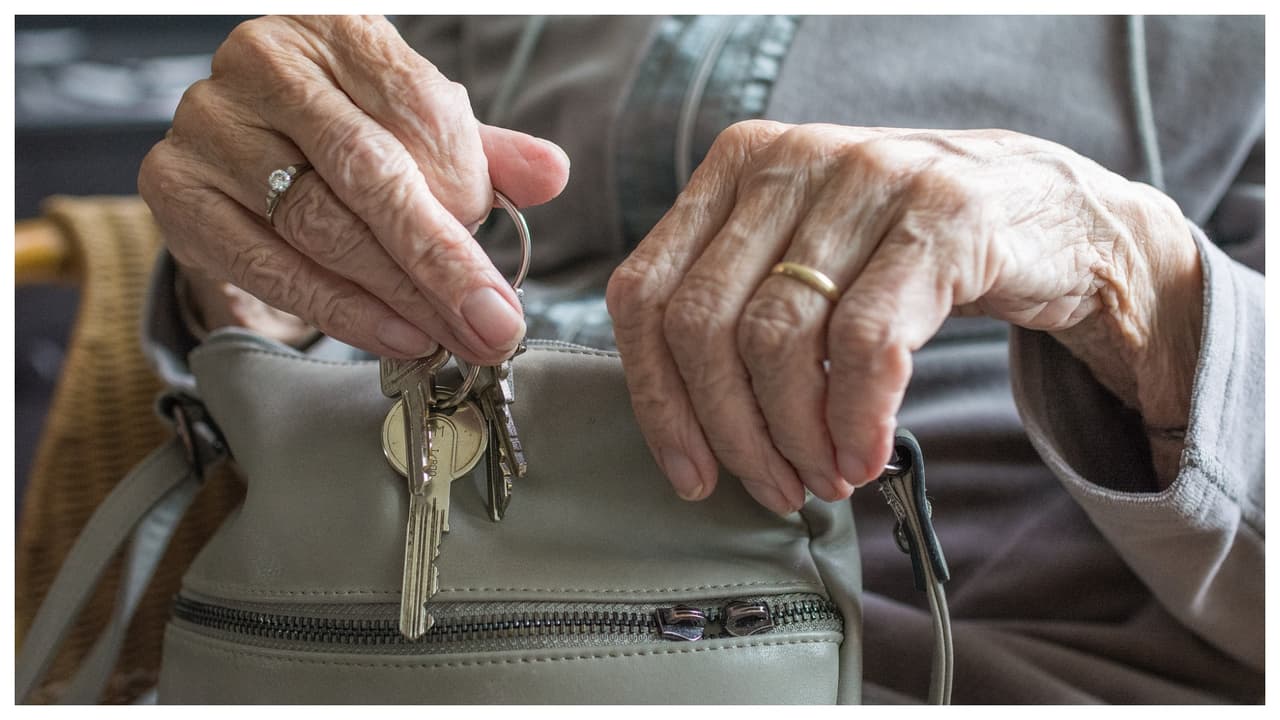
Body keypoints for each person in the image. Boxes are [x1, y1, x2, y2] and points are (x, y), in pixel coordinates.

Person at [136, 15, 1263, 702]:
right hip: (325, 641)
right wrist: (250, 257)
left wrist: (1124, 269)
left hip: (952, 675)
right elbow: (274, 332)